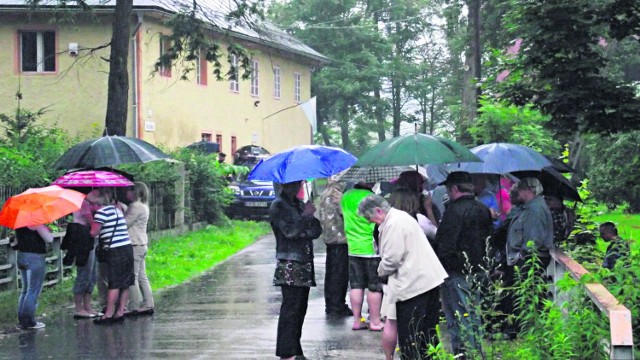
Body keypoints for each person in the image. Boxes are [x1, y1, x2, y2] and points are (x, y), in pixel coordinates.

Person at [359, 195, 448, 360]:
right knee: (427, 333)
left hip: (414, 285)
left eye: (370, 218)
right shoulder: (401, 217)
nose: (370, 222)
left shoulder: (394, 223)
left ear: (378, 210)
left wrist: (379, 270)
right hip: (426, 280)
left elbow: (392, 259)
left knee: (411, 335)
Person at [435, 171, 493, 358]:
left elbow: (445, 244)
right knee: (474, 313)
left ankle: (464, 354)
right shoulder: (483, 209)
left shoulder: (453, 211)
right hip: (480, 270)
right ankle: (475, 351)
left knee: (458, 316)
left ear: (454, 188)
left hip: (456, 272)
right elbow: (489, 240)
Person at [270, 180, 323, 360]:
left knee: (301, 308)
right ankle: (286, 352)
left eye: (299, 183)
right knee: (290, 308)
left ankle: (296, 348)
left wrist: (307, 222)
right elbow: (290, 232)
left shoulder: (299, 204)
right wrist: (305, 218)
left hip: (305, 261)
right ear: (285, 185)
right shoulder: (278, 206)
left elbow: (316, 229)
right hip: (289, 262)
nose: (297, 186)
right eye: (294, 183)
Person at [341, 182, 384, 332]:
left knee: (356, 285)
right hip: (370, 247)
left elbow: (342, 215)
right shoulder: (372, 198)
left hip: (353, 247)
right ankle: (375, 321)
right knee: (374, 287)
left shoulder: (345, 196)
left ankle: (357, 320)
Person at [89, 189, 134, 324]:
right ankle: (120, 311)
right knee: (125, 282)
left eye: (92, 202)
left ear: (99, 201)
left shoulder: (101, 213)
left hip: (114, 251)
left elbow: (94, 233)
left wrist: (91, 222)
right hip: (127, 248)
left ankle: (108, 314)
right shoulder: (116, 210)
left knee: (113, 283)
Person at [317, 177, 351, 317]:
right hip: (339, 239)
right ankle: (337, 305)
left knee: (331, 273)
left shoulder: (325, 193)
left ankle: (331, 303)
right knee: (339, 274)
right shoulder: (336, 195)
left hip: (329, 238)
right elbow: (346, 214)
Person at [506, 177, 554, 268]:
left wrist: (521, 256)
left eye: (520, 189)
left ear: (529, 190)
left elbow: (534, 239)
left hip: (530, 260)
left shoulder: (535, 209)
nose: (518, 192)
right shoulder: (529, 206)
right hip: (529, 259)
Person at [66, 190, 99, 318]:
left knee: (92, 274)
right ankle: (79, 307)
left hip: (92, 239)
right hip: (83, 239)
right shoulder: (83, 202)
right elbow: (90, 220)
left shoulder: (90, 203)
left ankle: (88, 306)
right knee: (85, 272)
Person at [14, 224, 54, 330]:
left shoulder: (20, 223)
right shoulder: (35, 222)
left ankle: (22, 320)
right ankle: (28, 322)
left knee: (25, 290)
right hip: (35, 257)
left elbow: (16, 242)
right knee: (33, 290)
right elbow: (49, 239)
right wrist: (44, 229)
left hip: (22, 256)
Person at [124, 182, 155, 316]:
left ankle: (134, 305)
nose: (126, 194)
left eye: (129, 191)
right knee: (142, 276)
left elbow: (125, 223)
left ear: (135, 192)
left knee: (132, 276)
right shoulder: (144, 206)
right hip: (142, 244)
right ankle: (148, 303)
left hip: (134, 244)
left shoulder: (135, 207)